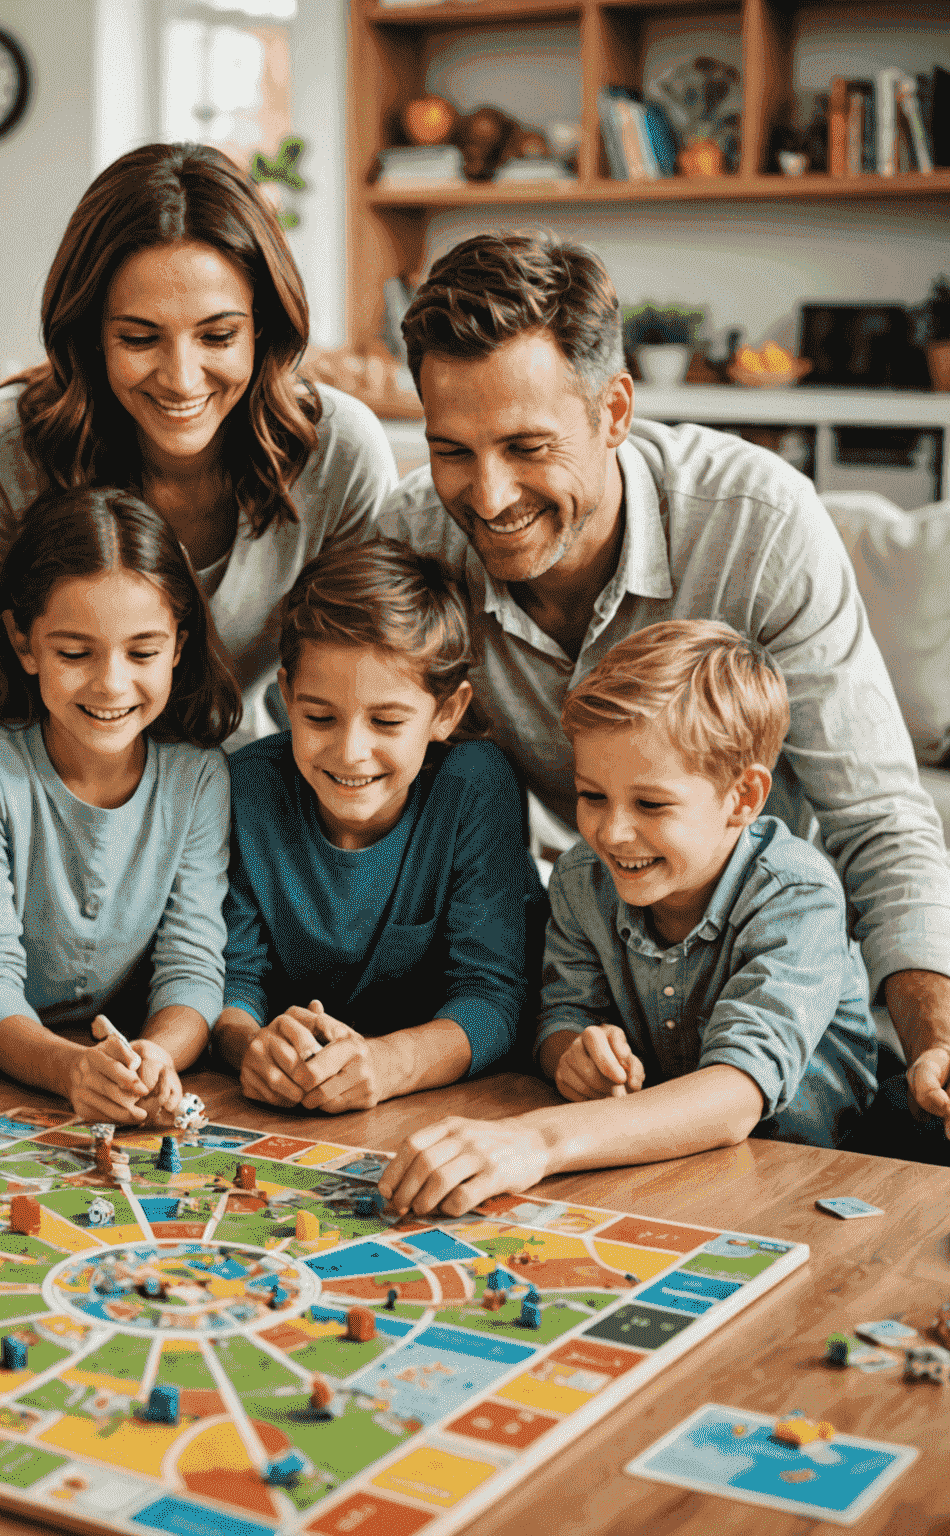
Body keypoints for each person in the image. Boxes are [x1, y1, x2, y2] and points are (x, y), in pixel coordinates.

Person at [376, 231, 950, 1158]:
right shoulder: (410, 542)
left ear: (614, 411)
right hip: (602, 992)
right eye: (452, 450)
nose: (486, 497)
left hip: (762, 999)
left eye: (527, 447)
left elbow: (879, 817)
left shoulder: (758, 523)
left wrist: (935, 1040)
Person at [378, 622, 878, 1217]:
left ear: (743, 799)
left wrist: (536, 1139)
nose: (611, 833)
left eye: (651, 804)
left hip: (811, 1182)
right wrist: (571, 1056)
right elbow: (562, 1017)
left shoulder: (798, 895)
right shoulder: (580, 879)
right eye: (592, 796)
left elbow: (735, 1095)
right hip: (655, 1166)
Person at [0, 141, 397, 747]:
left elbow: (371, 690)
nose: (181, 377)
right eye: (141, 338)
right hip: (47, 791)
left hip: (233, 782)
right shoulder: (6, 446)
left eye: (218, 336)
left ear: (264, 327)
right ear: (91, 333)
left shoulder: (340, 450)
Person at [0, 485, 240, 1125]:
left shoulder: (199, 776)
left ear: (179, 647)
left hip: (125, 1078)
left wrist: (158, 1054)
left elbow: (193, 968)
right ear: (24, 645)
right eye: (75, 653)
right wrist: (70, 1068)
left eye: (144, 652)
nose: (111, 684)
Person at [214, 538, 542, 1112]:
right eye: (319, 717)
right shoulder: (246, 788)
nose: (350, 752)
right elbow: (229, 978)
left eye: (387, 721)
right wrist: (250, 1047)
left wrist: (389, 1063)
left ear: (447, 712)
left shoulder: (476, 786)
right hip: (287, 1109)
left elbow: (493, 998)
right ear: (286, 698)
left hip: (438, 1106)